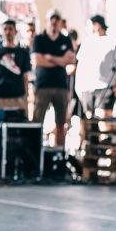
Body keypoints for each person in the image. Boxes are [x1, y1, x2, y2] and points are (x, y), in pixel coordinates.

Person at [31, 8, 76, 146]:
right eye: (52, 19)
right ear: (47, 21)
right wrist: (61, 60)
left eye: (57, 20)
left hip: (61, 86)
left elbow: (71, 60)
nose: (54, 22)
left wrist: (50, 58)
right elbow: (37, 60)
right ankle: (35, 150)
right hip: (43, 86)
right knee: (37, 121)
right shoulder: (39, 38)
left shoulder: (65, 39)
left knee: (61, 123)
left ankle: (58, 153)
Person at [74, 15, 116, 119]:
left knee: (104, 120)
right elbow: (80, 66)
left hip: (106, 87)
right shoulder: (86, 42)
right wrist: (78, 87)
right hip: (87, 88)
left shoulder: (113, 42)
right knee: (88, 120)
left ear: (96, 25)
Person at [0, 20, 31, 112]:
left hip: (18, 97)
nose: (8, 32)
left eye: (10, 29)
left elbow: (25, 77)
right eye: (5, 29)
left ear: (15, 32)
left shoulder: (23, 52)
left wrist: (26, 98)